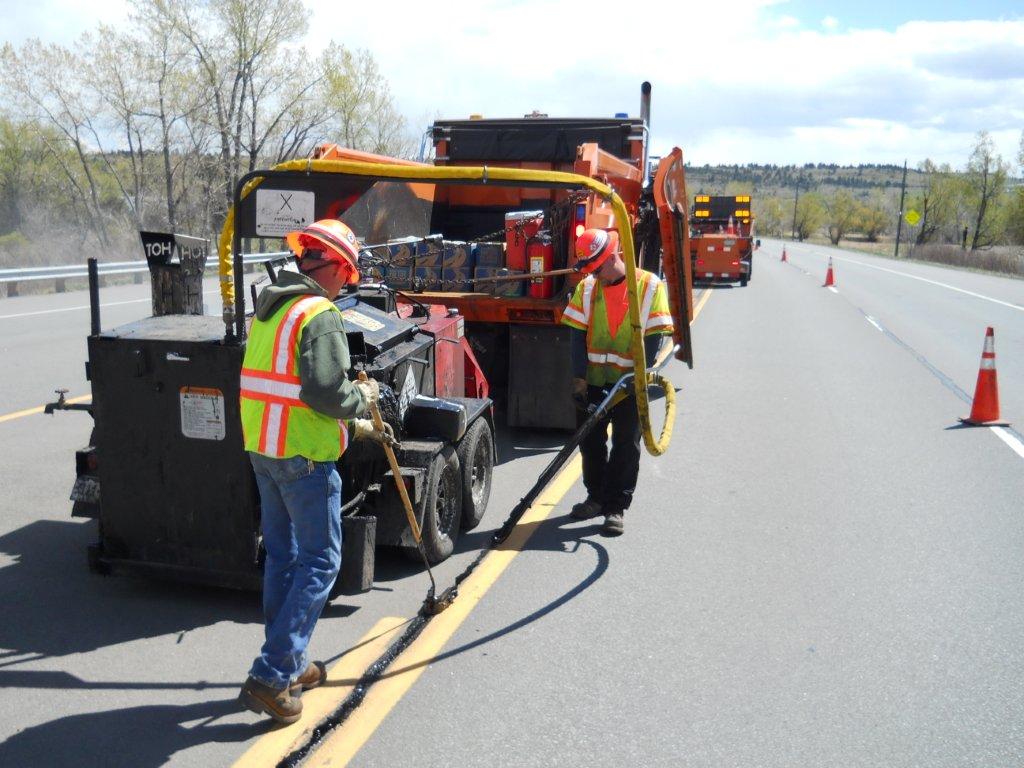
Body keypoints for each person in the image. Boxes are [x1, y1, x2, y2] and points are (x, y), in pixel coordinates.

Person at [237, 218, 393, 724]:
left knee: (283, 558)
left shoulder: (270, 306)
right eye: (346, 274)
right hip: (303, 455)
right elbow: (325, 392)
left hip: (265, 450)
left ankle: (291, 661)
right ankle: (271, 673)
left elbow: (280, 384)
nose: (346, 284)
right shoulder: (319, 313)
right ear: (330, 266)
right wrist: (363, 398)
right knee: (322, 562)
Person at [560, 228, 675, 536]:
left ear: (612, 256)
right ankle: (595, 498)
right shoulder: (587, 288)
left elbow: (654, 336)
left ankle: (616, 507)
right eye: (590, 270)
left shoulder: (649, 286)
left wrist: (638, 376)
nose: (594, 275)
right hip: (595, 381)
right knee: (591, 443)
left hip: (629, 384)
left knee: (626, 444)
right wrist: (579, 379)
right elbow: (576, 335)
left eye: (597, 268)